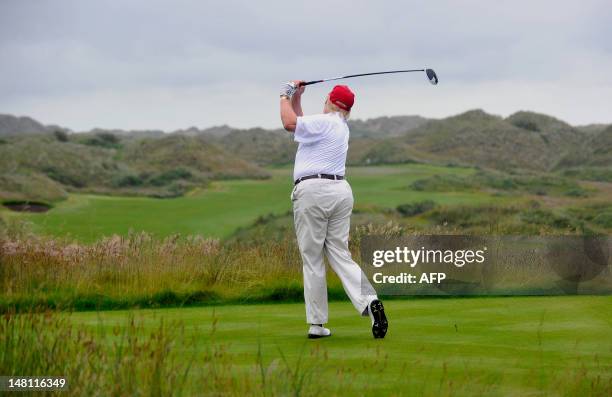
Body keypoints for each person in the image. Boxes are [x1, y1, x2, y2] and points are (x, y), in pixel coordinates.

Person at [279, 81, 388, 339]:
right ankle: (370, 301)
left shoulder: (325, 121)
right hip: (340, 191)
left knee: (313, 258)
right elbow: (302, 124)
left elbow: (289, 123)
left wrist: (285, 93)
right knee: (340, 254)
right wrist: (298, 97)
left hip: (313, 192)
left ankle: (317, 324)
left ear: (328, 99)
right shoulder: (338, 126)